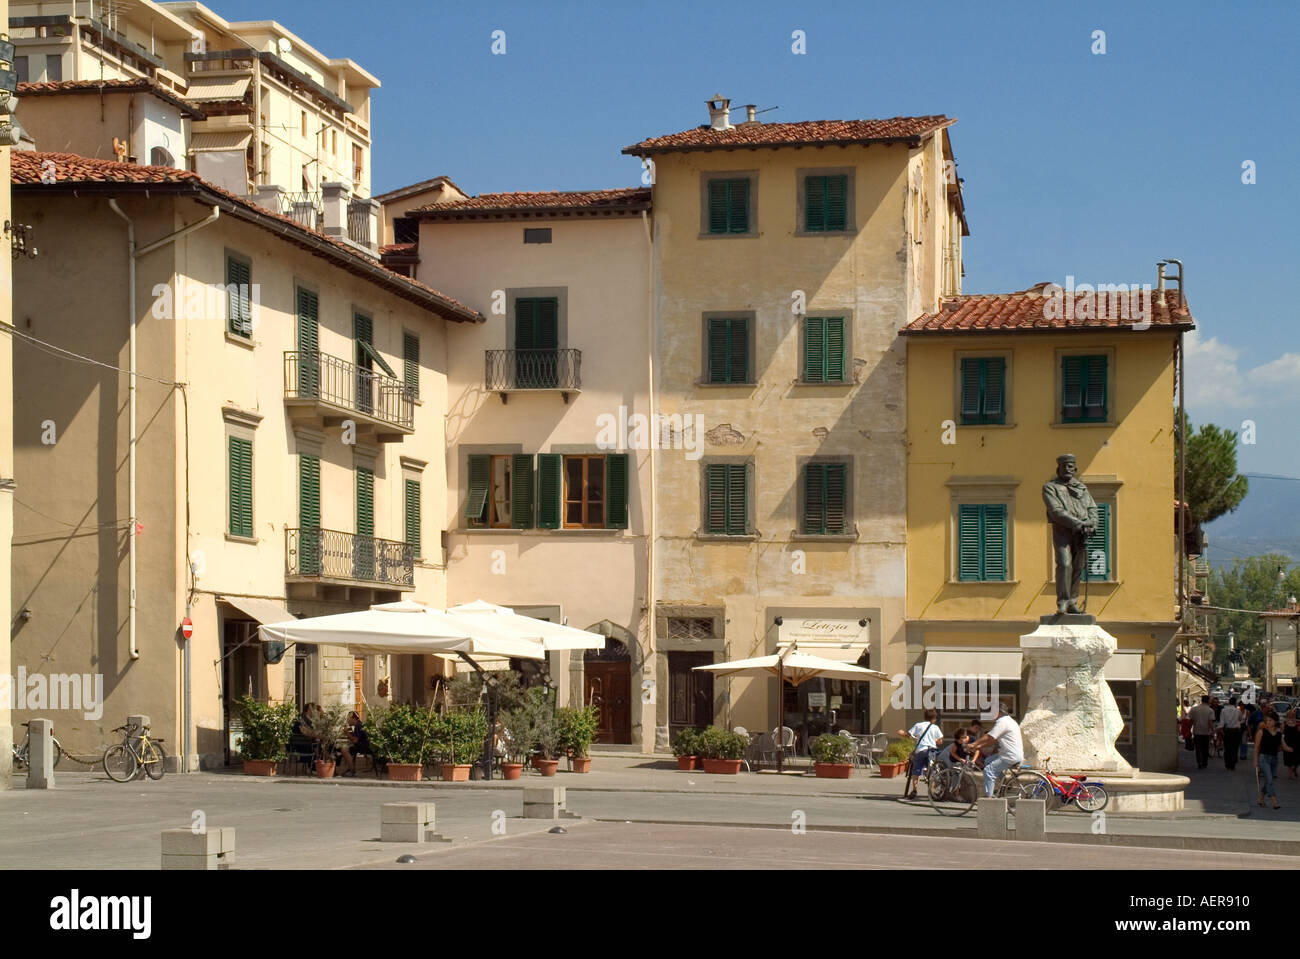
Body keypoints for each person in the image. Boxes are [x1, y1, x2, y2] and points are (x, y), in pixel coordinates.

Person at [1042, 453, 1098, 615]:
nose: (1067, 468)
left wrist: (1093, 523)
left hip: (1082, 533)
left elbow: (1092, 508)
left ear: (1075, 469)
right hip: (1063, 532)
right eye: (1064, 466)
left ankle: (1073, 602)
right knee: (1065, 564)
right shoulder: (1050, 487)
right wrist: (1078, 523)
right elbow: (1056, 511)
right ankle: (1063, 602)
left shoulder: (1082, 488)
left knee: (1078, 567)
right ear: (1058, 468)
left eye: (1070, 466)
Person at [968, 704, 1023, 797]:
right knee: (987, 761)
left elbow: (990, 736)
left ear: (998, 713)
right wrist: (979, 746)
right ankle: (1004, 780)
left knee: (988, 771)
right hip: (1010, 753)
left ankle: (989, 801)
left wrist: (974, 743)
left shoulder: (1002, 722)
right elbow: (993, 740)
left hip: (1009, 755)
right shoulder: (1010, 721)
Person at [898, 708, 943, 801]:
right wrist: (933, 740)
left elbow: (908, 735)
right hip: (932, 751)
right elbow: (940, 741)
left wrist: (902, 733)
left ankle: (914, 790)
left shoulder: (918, 725)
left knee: (916, 771)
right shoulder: (935, 727)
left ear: (925, 717)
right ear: (934, 718)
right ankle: (932, 791)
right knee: (933, 771)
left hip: (921, 750)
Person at [1255, 714, 1290, 809]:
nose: (1268, 722)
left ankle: (1260, 798)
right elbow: (1256, 747)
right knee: (1269, 779)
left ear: (1275, 722)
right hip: (1264, 758)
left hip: (1274, 760)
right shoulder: (1261, 732)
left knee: (1269, 781)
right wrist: (1255, 761)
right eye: (1267, 720)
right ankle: (1274, 801)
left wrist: (1293, 749)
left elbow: (1284, 747)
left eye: (1270, 720)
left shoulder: (1279, 734)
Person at [340, 710, 369, 777]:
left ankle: (352, 770)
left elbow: (355, 740)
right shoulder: (358, 724)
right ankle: (350, 768)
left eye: (349, 719)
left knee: (344, 750)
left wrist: (347, 733)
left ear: (354, 718)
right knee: (347, 749)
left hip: (363, 746)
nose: (348, 721)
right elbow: (355, 738)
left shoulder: (358, 726)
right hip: (362, 745)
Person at [1189, 696, 1215, 769]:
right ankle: (1204, 762)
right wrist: (1212, 731)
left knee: (1198, 748)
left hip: (1197, 731)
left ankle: (1199, 761)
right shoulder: (1210, 710)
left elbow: (1191, 720)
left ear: (1202, 700)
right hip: (1206, 732)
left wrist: (1189, 729)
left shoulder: (1194, 709)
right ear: (1208, 701)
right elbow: (1210, 722)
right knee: (1205, 748)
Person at [1220, 696, 1243, 771]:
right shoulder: (1238, 711)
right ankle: (1232, 765)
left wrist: (1221, 730)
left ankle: (1227, 764)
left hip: (1227, 730)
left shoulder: (1223, 710)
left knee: (1227, 748)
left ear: (1229, 702)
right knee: (1234, 748)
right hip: (1235, 731)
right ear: (1235, 703)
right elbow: (1240, 719)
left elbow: (1222, 722)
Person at [1283, 709, 1300, 780]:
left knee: (1291, 758)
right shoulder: (1296, 723)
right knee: (1294, 758)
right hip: (1293, 743)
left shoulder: (1286, 723)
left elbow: (1282, 732)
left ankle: (1291, 772)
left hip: (1290, 742)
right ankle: (1292, 772)